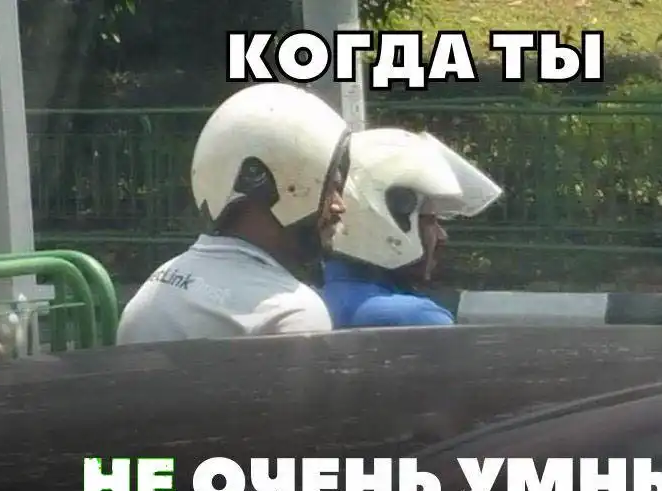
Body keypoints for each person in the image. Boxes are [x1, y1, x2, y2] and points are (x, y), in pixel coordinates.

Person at [115, 83, 350, 344]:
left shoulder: (161, 281)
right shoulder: (293, 312)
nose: (340, 205)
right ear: (276, 184)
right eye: (330, 188)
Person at [321, 128, 502, 328]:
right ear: (390, 218)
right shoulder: (418, 317)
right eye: (430, 220)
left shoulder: (312, 301)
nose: (442, 235)